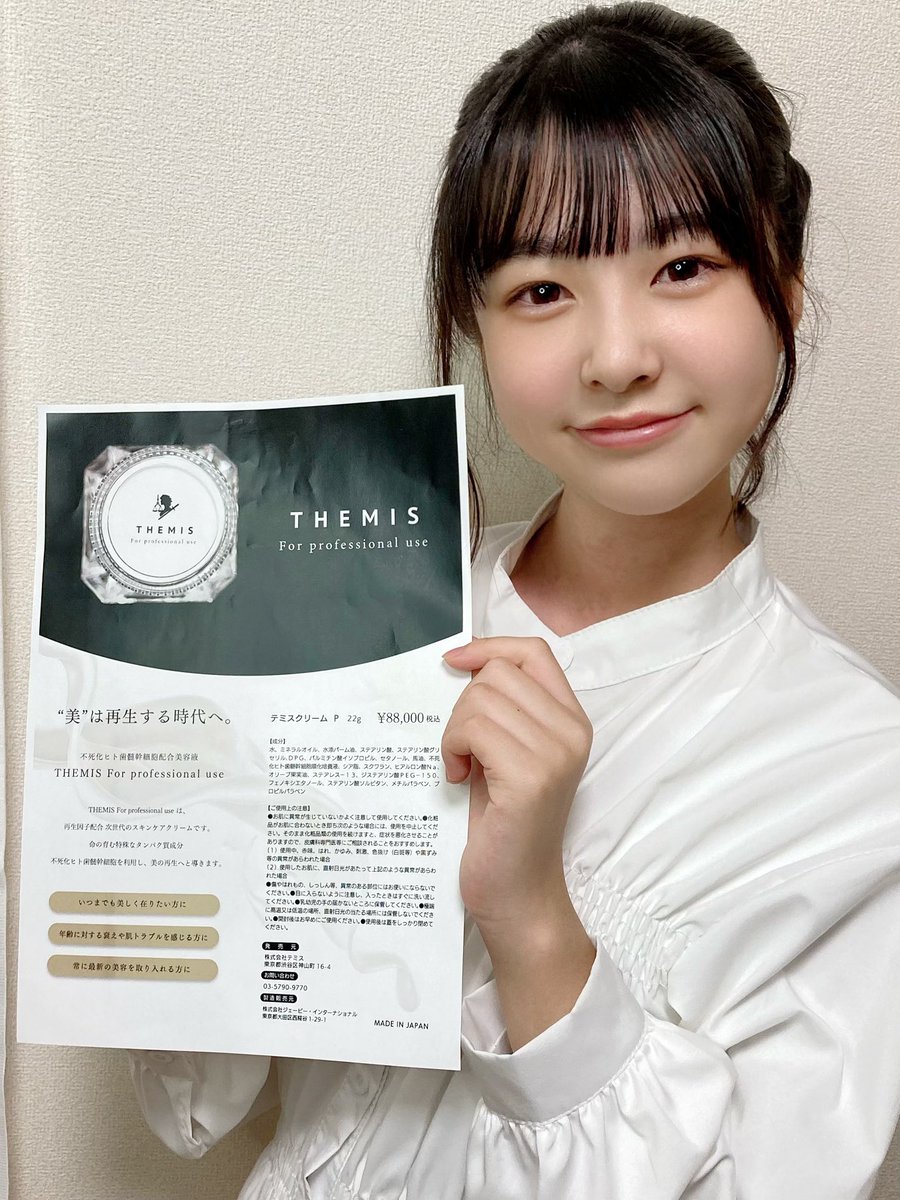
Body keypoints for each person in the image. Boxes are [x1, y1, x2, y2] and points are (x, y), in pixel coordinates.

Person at [130, 4, 900, 1196]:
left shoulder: (857, 776)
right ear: (475, 330)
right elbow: (197, 1102)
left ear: (783, 285)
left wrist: (534, 920)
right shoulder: (375, 622)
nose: (616, 356)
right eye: (542, 290)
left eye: (683, 268)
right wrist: (174, 808)